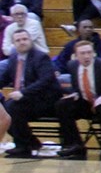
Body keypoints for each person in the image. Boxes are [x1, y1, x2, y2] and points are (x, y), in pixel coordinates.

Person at [0, 28, 58, 157]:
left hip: (45, 100)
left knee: (12, 108)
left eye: (25, 39)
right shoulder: (14, 57)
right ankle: (30, 142)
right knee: (4, 110)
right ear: (14, 44)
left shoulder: (41, 57)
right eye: (18, 40)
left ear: (30, 40)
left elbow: (46, 80)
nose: (22, 42)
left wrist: (24, 93)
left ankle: (23, 145)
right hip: (26, 101)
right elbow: (5, 77)